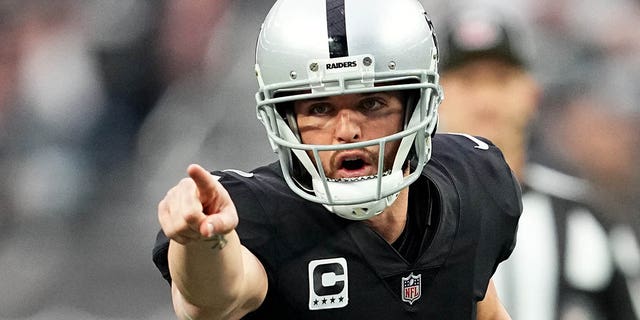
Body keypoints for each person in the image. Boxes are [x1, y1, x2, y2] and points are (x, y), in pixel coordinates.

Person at [152, 0, 522, 318]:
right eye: (320, 108)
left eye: (371, 103)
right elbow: (212, 301)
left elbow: (478, 305)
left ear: (416, 106)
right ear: (284, 119)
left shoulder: (473, 183)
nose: (346, 130)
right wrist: (203, 242)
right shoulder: (261, 213)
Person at [436, 4, 639, 320]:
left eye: (501, 80)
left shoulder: (589, 219)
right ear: (435, 96)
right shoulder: (404, 215)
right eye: (467, 81)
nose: (486, 101)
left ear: (532, 93)